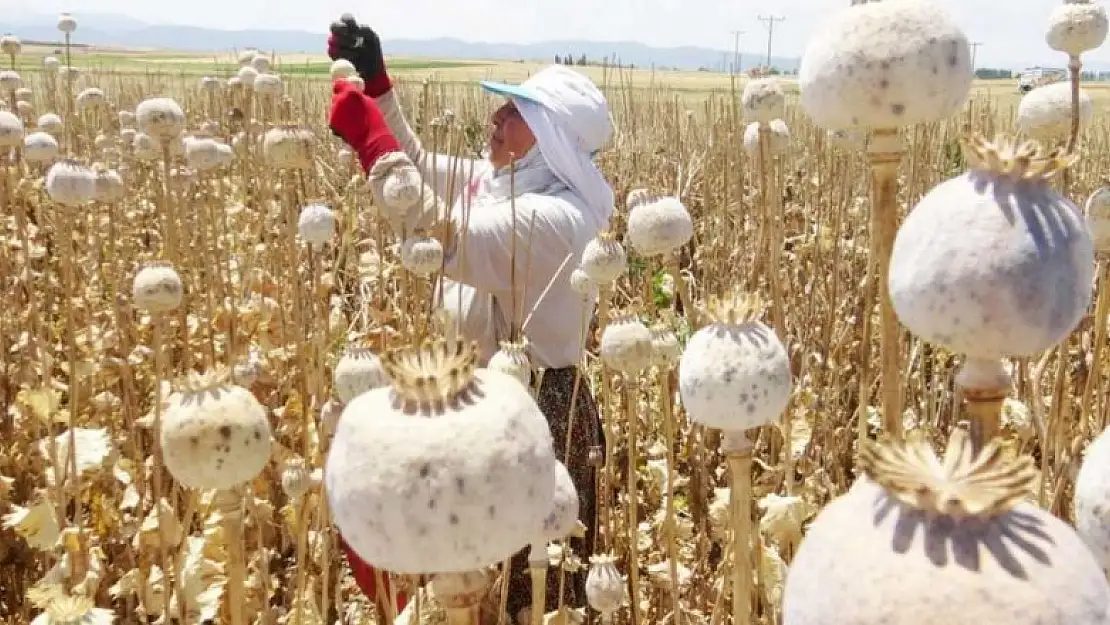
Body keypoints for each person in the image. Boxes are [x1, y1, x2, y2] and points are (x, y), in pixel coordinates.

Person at [326, 14, 613, 625]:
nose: (496, 119)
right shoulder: (499, 181)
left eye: (513, 113)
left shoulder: (556, 219)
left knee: (527, 600)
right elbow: (421, 165)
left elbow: (447, 238)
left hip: (537, 417)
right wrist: (378, 88)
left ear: (547, 136)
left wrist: (372, 144)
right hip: (481, 406)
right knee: (469, 588)